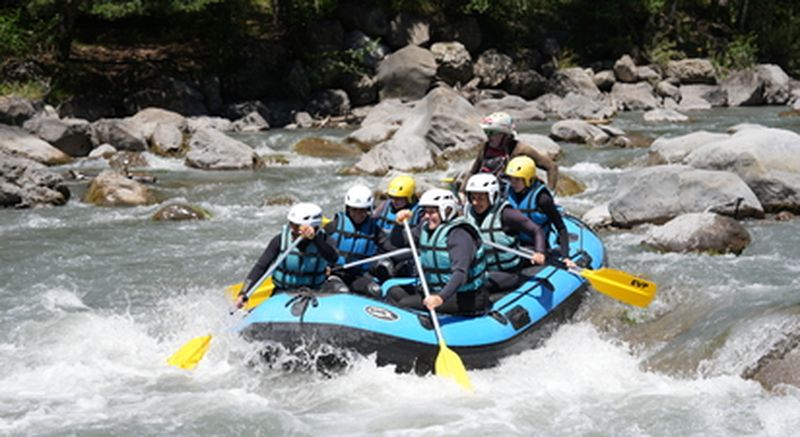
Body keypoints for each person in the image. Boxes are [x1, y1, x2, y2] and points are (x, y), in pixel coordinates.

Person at [389, 189, 489, 315]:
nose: (426, 216)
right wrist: (398, 224)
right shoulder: (426, 227)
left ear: (447, 210)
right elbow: (397, 242)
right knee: (394, 292)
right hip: (436, 289)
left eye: (431, 212)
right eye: (425, 212)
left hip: (466, 296)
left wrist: (439, 298)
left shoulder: (460, 234)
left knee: (404, 304)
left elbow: (460, 274)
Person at [235, 202, 338, 308]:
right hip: (282, 293)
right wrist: (244, 292)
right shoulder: (280, 240)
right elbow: (261, 267)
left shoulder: (325, 241)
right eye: (291, 224)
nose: (293, 229)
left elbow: (333, 257)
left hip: (315, 294)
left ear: (313, 227)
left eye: (297, 226)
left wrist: (315, 239)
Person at [464, 173, 548, 292]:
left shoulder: (506, 214)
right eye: (473, 198)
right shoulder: (468, 213)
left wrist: (540, 252)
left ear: (492, 196)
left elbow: (536, 230)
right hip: (483, 268)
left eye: (481, 198)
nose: (475, 203)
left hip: (508, 272)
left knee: (474, 283)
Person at [504, 156, 576, 268]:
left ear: (528, 179)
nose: (513, 183)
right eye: (511, 179)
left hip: (538, 246)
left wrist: (566, 257)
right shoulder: (507, 193)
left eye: (517, 179)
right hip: (514, 244)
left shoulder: (542, 199)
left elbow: (561, 228)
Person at [459, 111, 559, 192]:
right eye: (487, 132)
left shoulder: (521, 150)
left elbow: (552, 167)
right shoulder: (485, 148)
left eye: (492, 132)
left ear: (505, 135)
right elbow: (473, 171)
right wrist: (462, 192)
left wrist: (550, 192)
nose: (488, 136)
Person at [324, 185, 394, 297]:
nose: (358, 214)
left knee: (375, 290)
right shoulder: (333, 226)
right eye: (354, 210)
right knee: (342, 291)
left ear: (369, 210)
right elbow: (318, 248)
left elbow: (390, 247)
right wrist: (323, 267)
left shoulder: (374, 230)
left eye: (363, 210)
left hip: (357, 275)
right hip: (334, 273)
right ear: (348, 208)